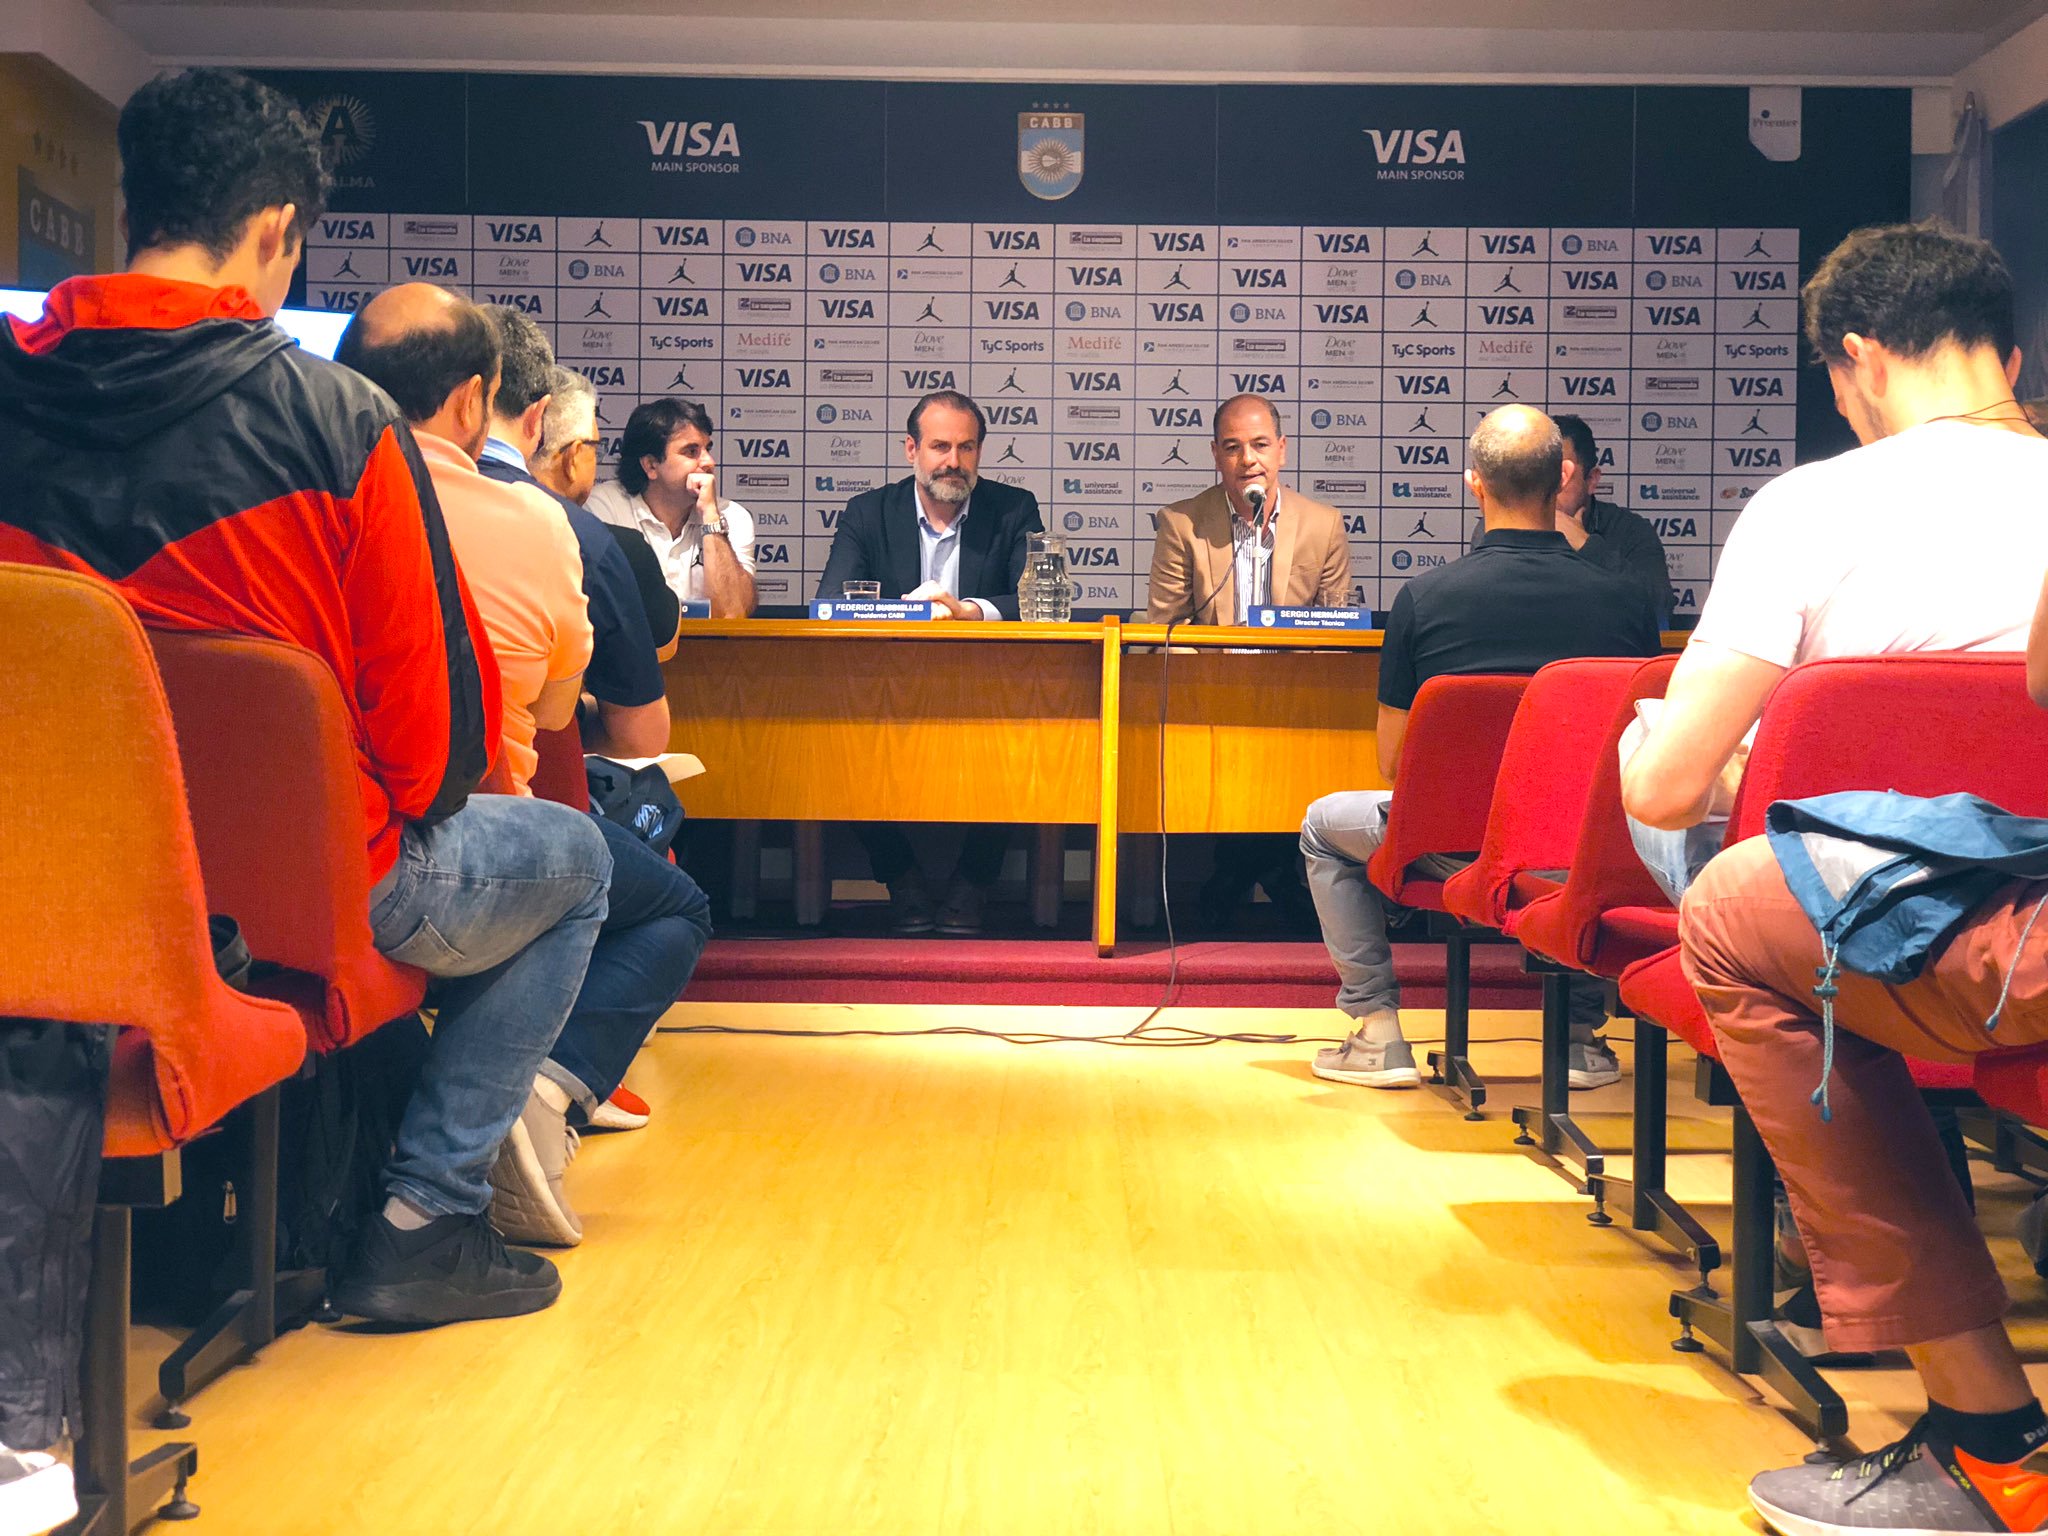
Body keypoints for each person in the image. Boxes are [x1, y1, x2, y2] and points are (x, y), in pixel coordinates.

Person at [0, 69, 611, 1336]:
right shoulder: (336, 421)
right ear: (277, 229)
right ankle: (422, 1220)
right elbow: (432, 753)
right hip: (300, 900)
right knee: (578, 860)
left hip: (44, 887)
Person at [1673, 564, 2048, 1536]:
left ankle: (1990, 1440)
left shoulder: (1803, 512)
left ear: (1857, 394)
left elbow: (1660, 784)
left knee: (1723, 902)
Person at [339, 286, 712, 1246]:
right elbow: (562, 722)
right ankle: (467, 1164)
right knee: (627, 883)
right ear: (482, 402)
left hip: (266, 858)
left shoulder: (299, 504)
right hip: (429, 848)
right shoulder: (544, 527)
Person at [1621, 221, 2048, 901]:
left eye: (1838, 383)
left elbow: (1664, 794)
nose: (1845, 408)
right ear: (2011, 365)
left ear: (1863, 358)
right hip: (2034, 898)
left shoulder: (1806, 506)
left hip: (1857, 914)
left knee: (1642, 751)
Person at [1300, 406, 1660, 1089]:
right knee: (1584, 834)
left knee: (1323, 828)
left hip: (1455, 847)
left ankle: (1376, 1033)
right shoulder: (1628, 601)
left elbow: (1394, 764)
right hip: (1578, 848)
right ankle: (1581, 1040)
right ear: (1563, 479)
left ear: (1475, 486)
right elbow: (1641, 740)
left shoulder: (1424, 599)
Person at [814, 389, 1045, 935]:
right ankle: (902, 880)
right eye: (940, 446)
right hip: (887, 687)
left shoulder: (1014, 509)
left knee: (1031, 741)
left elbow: (1035, 604)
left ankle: (973, 884)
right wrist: (904, 613)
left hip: (988, 689)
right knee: (835, 742)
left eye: (967, 448)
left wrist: (968, 611)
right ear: (910, 449)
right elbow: (831, 604)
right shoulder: (868, 512)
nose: (954, 462)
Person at [1146, 393, 1353, 930]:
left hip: (1297, 699)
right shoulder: (1182, 523)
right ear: (1216, 455)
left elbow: (1340, 631)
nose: (1248, 460)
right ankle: (1276, 875)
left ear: (1281, 450)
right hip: (1209, 700)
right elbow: (1160, 631)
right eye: (1233, 448)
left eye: (1260, 445)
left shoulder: (1322, 525)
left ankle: (1236, 873)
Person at [474, 309, 673, 758]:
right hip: (531, 797)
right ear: (571, 455)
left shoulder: (391, 500)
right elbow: (641, 739)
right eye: (597, 447)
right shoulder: (587, 539)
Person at [1465, 413, 1673, 628]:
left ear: (1591, 480)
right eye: (1540, 474)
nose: (1548, 486)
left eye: (1556, 474)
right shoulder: (1496, 527)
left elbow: (1659, 612)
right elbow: (1485, 607)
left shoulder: (1629, 530)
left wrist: (1586, 545)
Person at [532, 365, 681, 661]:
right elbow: (664, 646)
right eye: (595, 450)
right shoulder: (618, 548)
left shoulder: (460, 520)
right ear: (573, 458)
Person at [586, 398, 757, 617]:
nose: (709, 462)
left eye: (707, 448)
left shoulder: (731, 516)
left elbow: (732, 613)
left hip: (710, 651)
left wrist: (711, 519)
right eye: (691, 451)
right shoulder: (604, 510)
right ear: (650, 465)